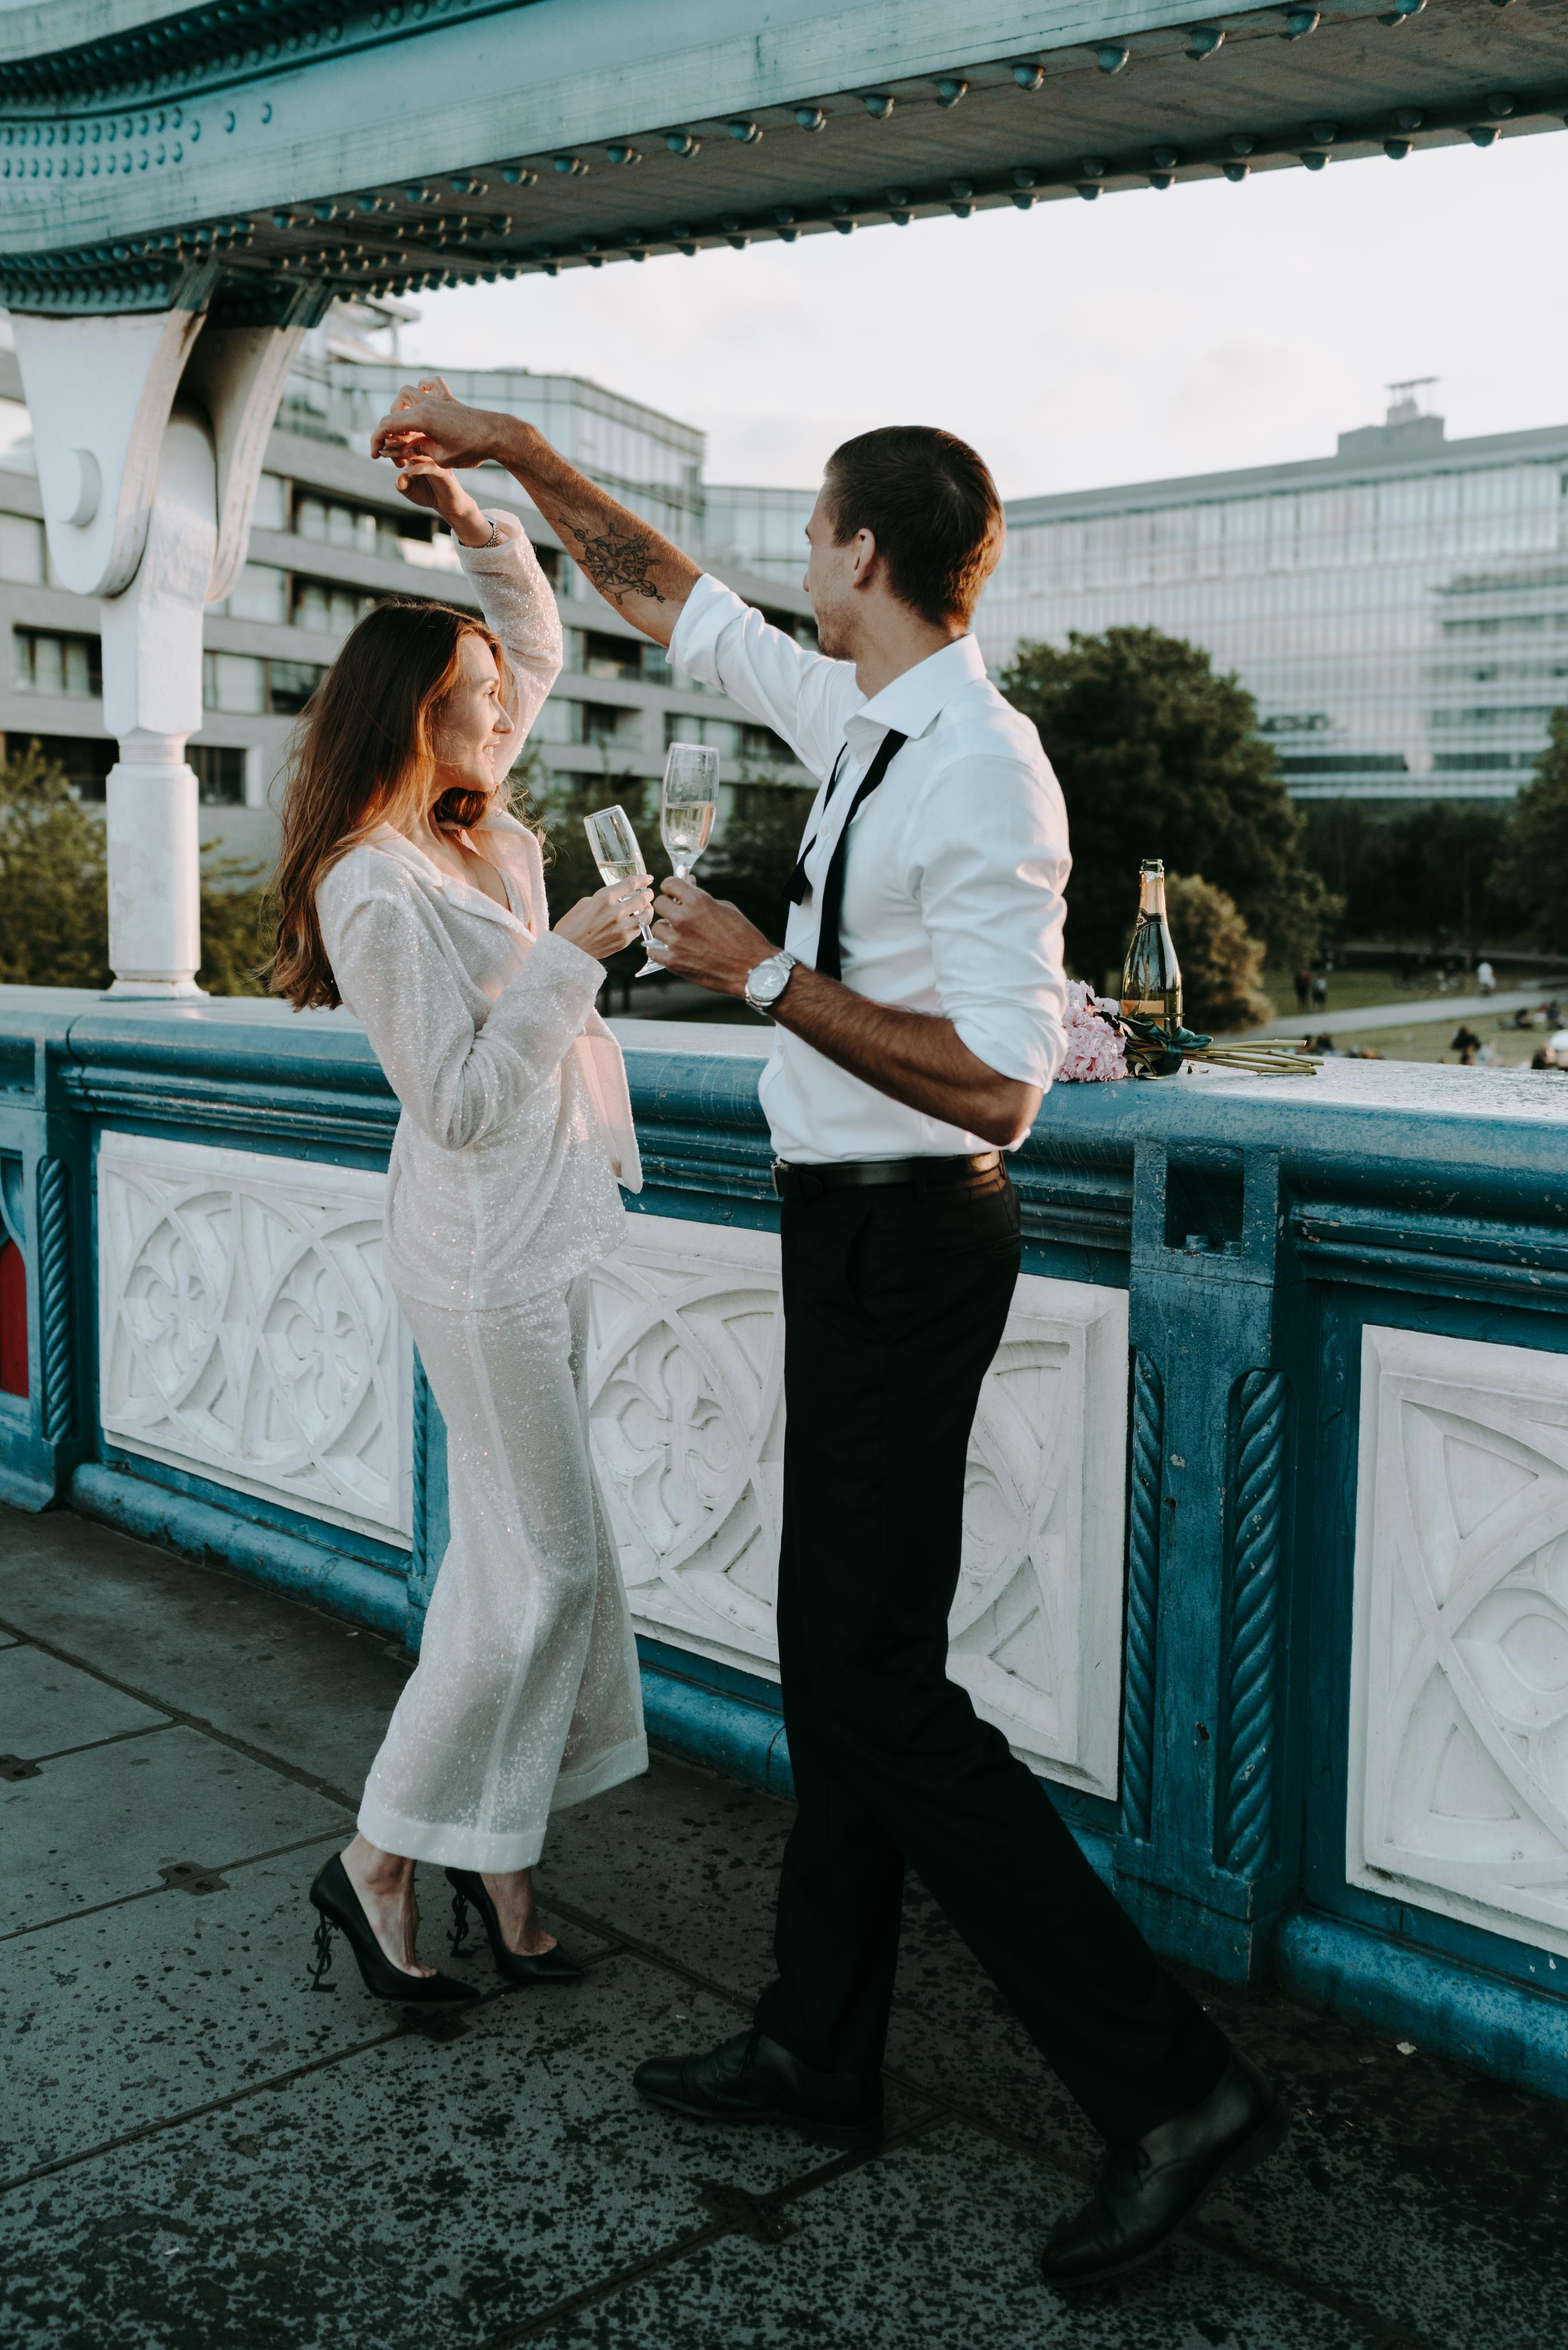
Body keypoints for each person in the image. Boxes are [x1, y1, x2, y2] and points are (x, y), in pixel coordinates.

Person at [371, 383, 1285, 2287]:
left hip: (915, 1241)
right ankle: (817, 2042)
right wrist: (515, 459)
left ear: (867, 552)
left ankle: (1167, 2080)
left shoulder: (986, 770)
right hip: (844, 1239)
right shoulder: (866, 715)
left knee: (880, 1687)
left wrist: (764, 973)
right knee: (835, 1649)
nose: (792, 567)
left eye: (813, 540)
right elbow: (662, 591)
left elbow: (1010, 1092)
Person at [269, 435, 653, 2005]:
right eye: (482, 704)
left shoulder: (462, 818)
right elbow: (461, 1096)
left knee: (526, 1559)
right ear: (414, 719)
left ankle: (498, 1862)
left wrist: (481, 527)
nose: (510, 714)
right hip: (482, 1249)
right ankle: (380, 1855)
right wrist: (566, 953)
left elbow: (539, 638)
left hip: (545, 1231)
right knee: (548, 1565)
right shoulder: (374, 882)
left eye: (499, 700)